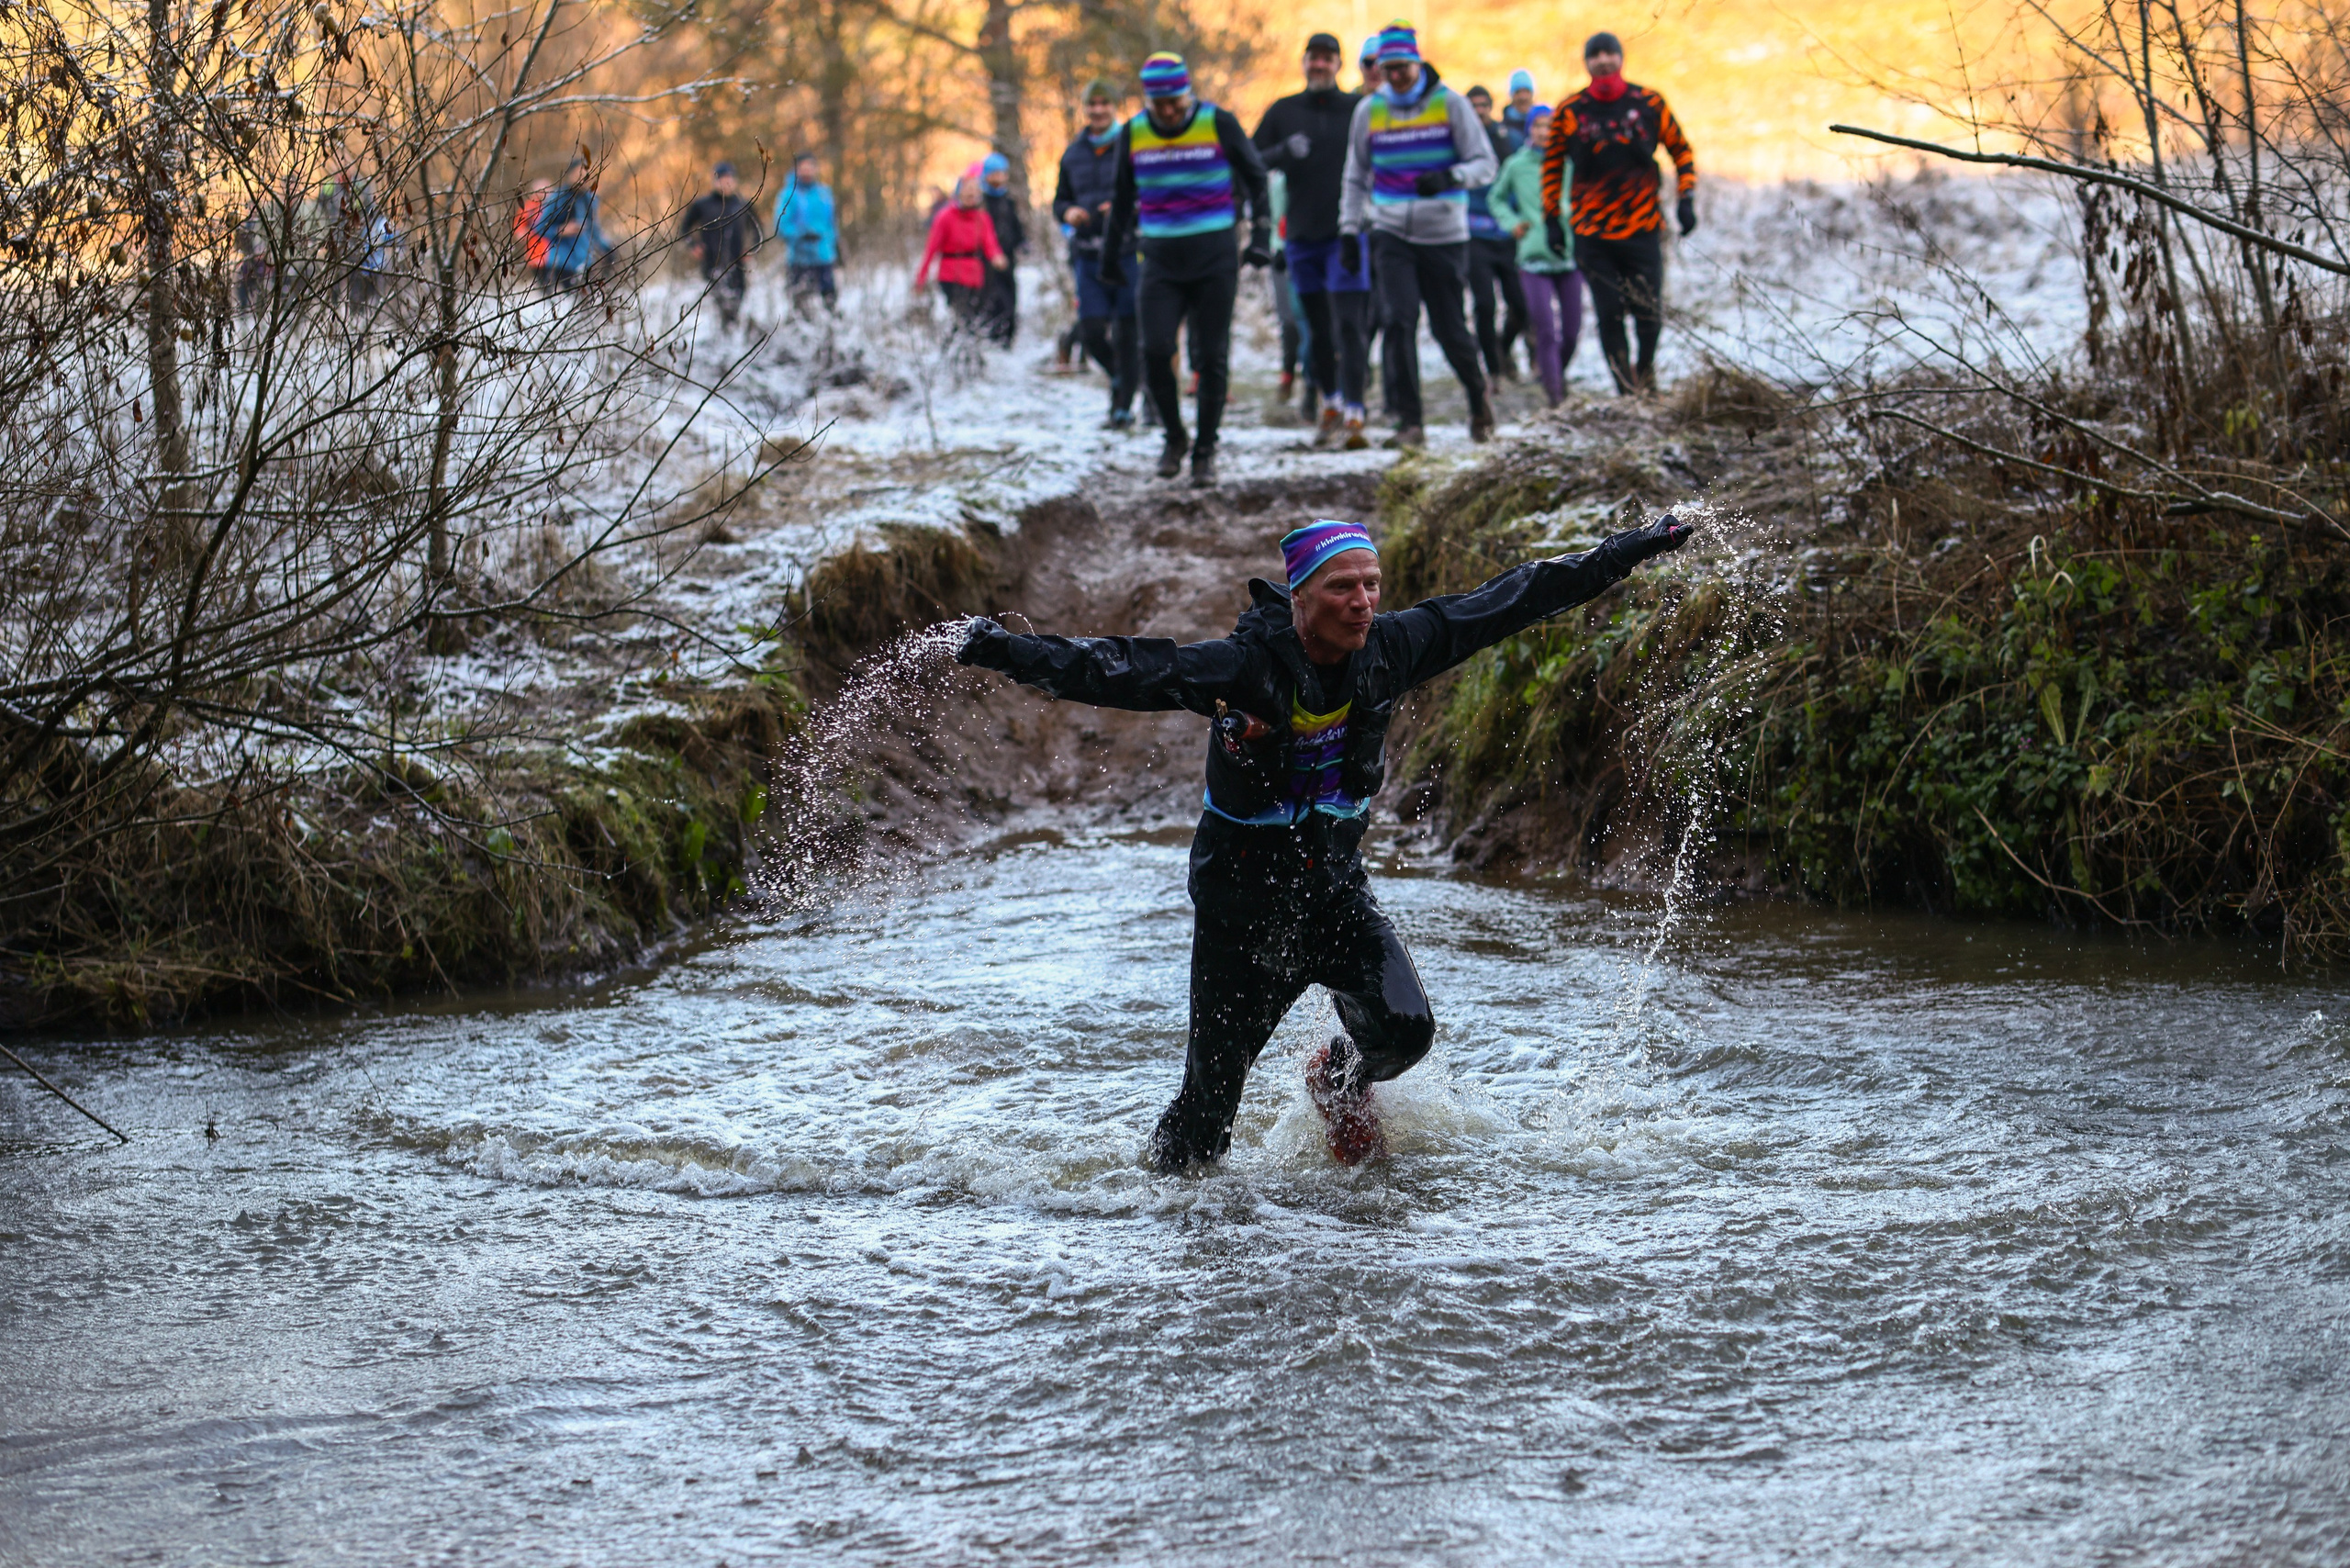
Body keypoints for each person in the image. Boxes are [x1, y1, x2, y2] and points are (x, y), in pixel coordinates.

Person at [955, 511, 1695, 1172]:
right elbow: (1121, 669)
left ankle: (1335, 1078)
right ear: (1299, 597)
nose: (1363, 603)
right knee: (1204, 1124)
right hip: (1241, 912)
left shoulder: (1393, 647)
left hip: (1334, 890)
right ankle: (1160, 1230)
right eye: (1343, 587)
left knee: (1405, 1031)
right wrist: (1004, 652)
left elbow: (1512, 598)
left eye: (1372, 585)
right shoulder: (1242, 669)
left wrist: (1625, 551)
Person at [1098, 51, 1272, 489]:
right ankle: (1174, 437)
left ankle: (1205, 450)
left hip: (1215, 257)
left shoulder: (1218, 122)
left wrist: (1261, 236)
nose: (1171, 111)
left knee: (1211, 355)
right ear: (1149, 102)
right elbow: (1121, 197)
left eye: (1176, 101)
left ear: (1187, 92)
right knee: (1154, 348)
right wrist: (1109, 256)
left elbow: (1256, 177)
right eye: (1162, 105)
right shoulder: (1135, 133)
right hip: (1158, 259)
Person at [1337, 19, 1498, 449]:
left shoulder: (1451, 104)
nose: (1394, 76)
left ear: (1417, 62)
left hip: (1445, 234)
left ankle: (1478, 397)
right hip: (1390, 232)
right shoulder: (1368, 111)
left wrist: (1449, 177)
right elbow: (1355, 175)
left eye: (1401, 68)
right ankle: (1411, 424)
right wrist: (1349, 230)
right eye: (1385, 68)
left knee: (1449, 328)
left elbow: (1486, 163)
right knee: (1397, 321)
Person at [1540, 31, 1695, 395]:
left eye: (1610, 53)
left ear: (1621, 58)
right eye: (1595, 55)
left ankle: (1645, 370)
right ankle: (1626, 389)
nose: (1603, 61)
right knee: (1609, 314)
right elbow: (1550, 166)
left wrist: (1686, 198)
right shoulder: (1570, 110)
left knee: (1648, 313)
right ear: (1586, 63)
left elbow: (1682, 150)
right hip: (1591, 233)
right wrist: (1551, 219)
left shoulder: (1649, 102)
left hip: (1642, 228)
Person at [1255, 32, 1371, 450]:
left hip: (1347, 235)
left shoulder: (1358, 109)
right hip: (1302, 237)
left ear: (1339, 65)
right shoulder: (1283, 111)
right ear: (1303, 63)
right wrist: (1283, 151)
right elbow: (1250, 159)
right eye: (1313, 58)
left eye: (1327, 59)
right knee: (1317, 330)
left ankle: (1357, 412)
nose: (1319, 65)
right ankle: (1331, 404)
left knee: (1350, 325)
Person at [1055, 83, 1142, 429]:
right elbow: (1058, 200)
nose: (1098, 110)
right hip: (1087, 256)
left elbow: (1146, 194)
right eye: (1092, 104)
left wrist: (1122, 209)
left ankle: (1122, 407)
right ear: (1084, 108)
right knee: (1091, 332)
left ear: (1114, 107)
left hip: (1127, 252)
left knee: (1128, 331)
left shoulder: (1131, 145)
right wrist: (1068, 213)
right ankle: (1121, 376)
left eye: (1105, 103)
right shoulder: (1072, 153)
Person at [1487, 104, 1581, 406]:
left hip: (1568, 255)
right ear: (1529, 129)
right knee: (1545, 330)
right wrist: (1513, 224)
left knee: (1572, 331)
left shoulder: (1570, 162)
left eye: (1550, 125)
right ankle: (1555, 396)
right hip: (1532, 257)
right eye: (1538, 125)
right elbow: (1496, 198)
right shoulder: (1517, 165)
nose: (1544, 131)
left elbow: (1585, 196)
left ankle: (1553, 372)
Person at [1462, 83, 1527, 382]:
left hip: (1507, 233)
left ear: (1491, 106)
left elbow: (1521, 180)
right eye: (1472, 106)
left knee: (1520, 303)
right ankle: (1493, 367)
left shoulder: (1509, 139)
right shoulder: (1458, 142)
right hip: (1474, 236)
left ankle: (1503, 347)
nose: (1478, 112)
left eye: (1483, 105)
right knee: (1484, 304)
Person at [914, 174, 1008, 328]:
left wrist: (997, 257)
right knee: (963, 317)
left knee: (975, 319)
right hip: (951, 276)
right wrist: (921, 278)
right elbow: (931, 249)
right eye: (968, 189)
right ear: (959, 192)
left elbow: (990, 243)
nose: (972, 193)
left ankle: (966, 347)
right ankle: (957, 348)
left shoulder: (982, 218)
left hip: (975, 276)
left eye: (975, 190)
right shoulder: (945, 217)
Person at [682, 160, 761, 328]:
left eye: (729, 178)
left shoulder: (743, 204)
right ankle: (717, 337)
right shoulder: (702, 205)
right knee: (715, 304)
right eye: (721, 178)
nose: (726, 182)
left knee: (737, 304)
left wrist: (752, 251)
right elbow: (684, 228)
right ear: (714, 181)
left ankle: (734, 336)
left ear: (735, 180)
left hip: (738, 265)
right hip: (711, 264)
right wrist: (693, 246)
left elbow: (758, 231)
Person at [775, 152, 841, 313]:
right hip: (799, 259)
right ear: (796, 169)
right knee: (799, 302)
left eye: (810, 167)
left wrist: (835, 247)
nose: (807, 171)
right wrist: (801, 235)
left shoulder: (824, 192)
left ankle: (830, 331)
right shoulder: (788, 194)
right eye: (803, 167)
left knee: (830, 300)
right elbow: (780, 226)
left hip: (824, 256)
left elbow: (832, 224)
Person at [535, 158, 611, 292]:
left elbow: (594, 230)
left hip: (586, 261)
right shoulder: (558, 198)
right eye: (579, 173)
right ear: (570, 174)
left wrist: (607, 248)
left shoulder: (589, 199)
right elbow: (540, 228)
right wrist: (561, 230)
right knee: (571, 304)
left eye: (587, 173)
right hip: (563, 263)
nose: (584, 178)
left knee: (591, 303)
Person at [978, 152, 1025, 346]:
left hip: (1008, 259)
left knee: (1010, 297)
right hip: (985, 261)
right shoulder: (980, 202)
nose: (998, 178)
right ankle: (993, 338)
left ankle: (1008, 338)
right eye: (994, 174)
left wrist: (1022, 242)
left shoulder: (1008, 200)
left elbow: (1016, 226)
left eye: (1001, 173)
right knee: (992, 299)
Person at [514, 178, 553, 293]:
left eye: (546, 190)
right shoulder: (528, 208)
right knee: (545, 287)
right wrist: (529, 234)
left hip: (556, 251)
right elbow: (519, 229)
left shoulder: (556, 205)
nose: (543, 193)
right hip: (536, 253)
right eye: (540, 190)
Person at [1501, 70, 1539, 151]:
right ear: (1511, 95)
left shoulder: (1543, 123)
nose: (1523, 97)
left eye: (1526, 91)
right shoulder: (1502, 130)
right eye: (1518, 92)